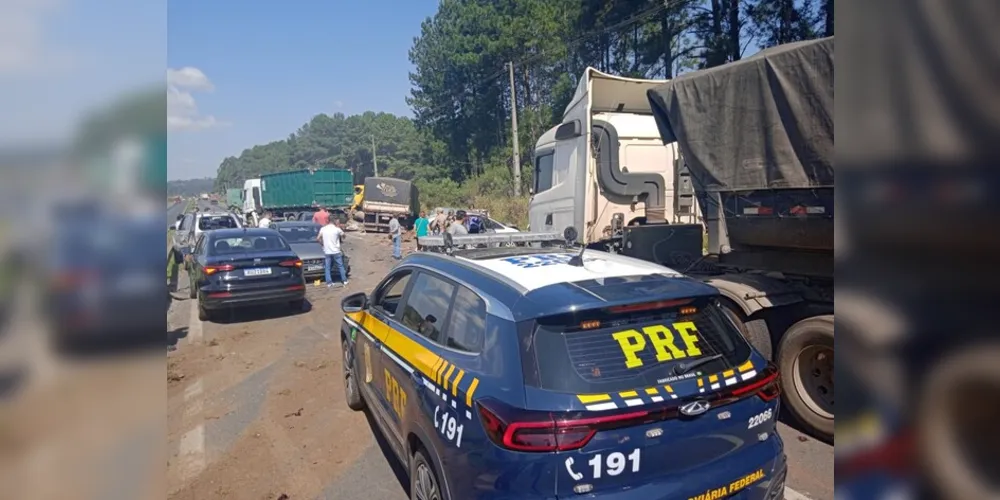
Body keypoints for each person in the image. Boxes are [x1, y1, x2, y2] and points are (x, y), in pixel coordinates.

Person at [317, 218, 349, 287]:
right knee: (340, 266)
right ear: (334, 222)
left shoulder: (323, 229)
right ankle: (344, 280)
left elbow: (318, 238)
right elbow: (344, 235)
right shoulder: (337, 229)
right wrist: (341, 237)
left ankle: (329, 283)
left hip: (327, 251)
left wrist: (322, 244)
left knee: (327, 267)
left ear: (328, 221)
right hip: (336, 251)